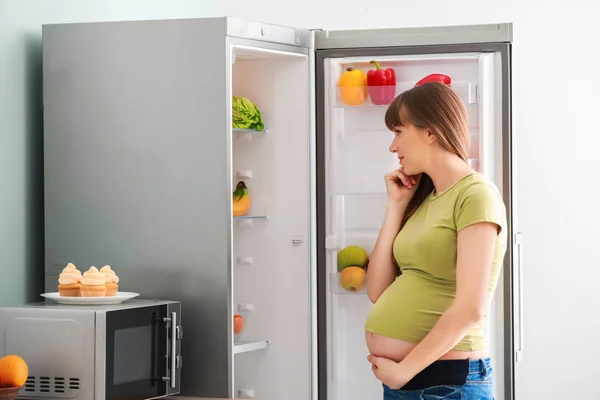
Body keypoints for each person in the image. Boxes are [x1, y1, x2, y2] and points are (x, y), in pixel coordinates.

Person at [364, 82, 507, 399]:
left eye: (398, 131)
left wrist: (404, 370)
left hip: (446, 383)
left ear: (430, 132)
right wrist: (397, 206)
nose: (392, 146)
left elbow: (471, 307)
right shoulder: (427, 199)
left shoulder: (475, 194)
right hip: (407, 382)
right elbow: (377, 290)